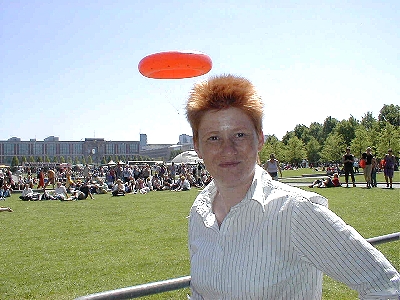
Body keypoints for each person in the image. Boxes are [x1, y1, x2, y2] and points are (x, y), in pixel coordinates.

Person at [185, 74, 399, 299]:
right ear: (197, 146)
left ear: (260, 139)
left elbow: (387, 287)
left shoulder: (295, 212)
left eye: (240, 135)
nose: (228, 150)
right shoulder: (200, 211)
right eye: (213, 138)